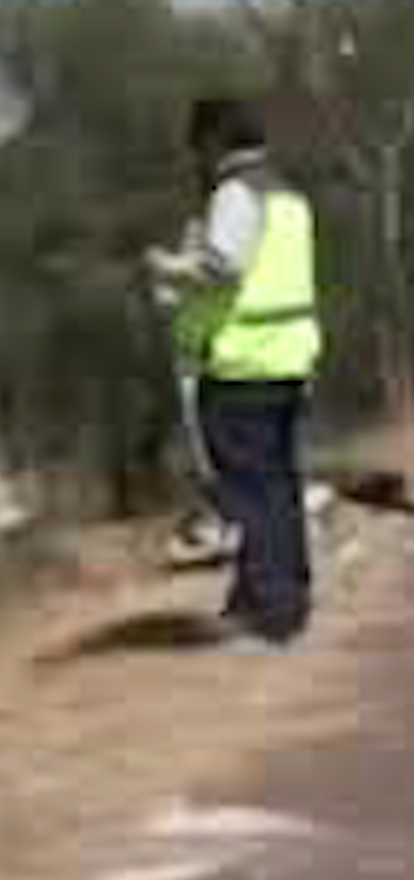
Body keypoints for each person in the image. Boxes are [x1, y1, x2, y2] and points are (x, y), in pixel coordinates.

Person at [145, 96, 323, 646]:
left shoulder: (236, 194)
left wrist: (166, 266)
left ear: (212, 141)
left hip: (243, 362)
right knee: (279, 485)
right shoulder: (287, 196)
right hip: (289, 356)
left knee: (252, 493)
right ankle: (275, 596)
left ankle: (270, 613)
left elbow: (222, 267)